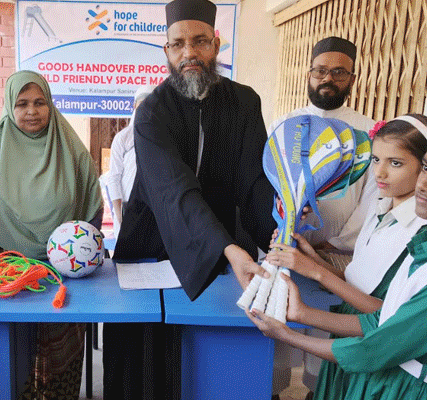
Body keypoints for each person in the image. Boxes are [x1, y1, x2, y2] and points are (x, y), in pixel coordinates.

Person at [248, 117, 427, 400]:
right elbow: (386, 319)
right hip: (384, 377)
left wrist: (287, 334)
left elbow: (373, 347)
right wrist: (303, 312)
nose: (424, 183)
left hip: (404, 389)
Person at [106, 0, 277, 397]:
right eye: (179, 44)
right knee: (146, 362)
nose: (190, 53)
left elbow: (254, 181)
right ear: (166, 50)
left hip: (221, 247)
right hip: (153, 242)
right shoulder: (151, 111)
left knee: (216, 353)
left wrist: (278, 236)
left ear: (215, 46)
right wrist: (229, 248)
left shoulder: (245, 102)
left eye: (200, 42)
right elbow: (173, 189)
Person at [266, 114, 427, 400]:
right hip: (347, 334)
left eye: (395, 163)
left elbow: (386, 314)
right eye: (375, 160)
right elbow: (358, 280)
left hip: (372, 347)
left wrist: (315, 270)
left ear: (425, 167)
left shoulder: (425, 233)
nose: (379, 173)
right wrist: (312, 259)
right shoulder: (381, 207)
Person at [0, 70, 102, 399]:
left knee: (59, 353)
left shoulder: (71, 148)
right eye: (22, 103)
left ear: (50, 105)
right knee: (11, 351)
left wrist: (86, 246)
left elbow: (93, 204)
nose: (31, 111)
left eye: (40, 103)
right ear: (10, 106)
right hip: (7, 266)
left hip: (64, 268)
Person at [268, 36, 378, 398]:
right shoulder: (285, 123)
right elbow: (272, 180)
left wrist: (335, 243)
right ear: (308, 73)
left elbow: (374, 199)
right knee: (279, 334)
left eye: (338, 72)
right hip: (286, 249)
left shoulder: (369, 132)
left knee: (324, 344)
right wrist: (284, 227)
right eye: (320, 70)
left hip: (337, 258)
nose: (327, 79)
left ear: (352, 78)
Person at [106, 84, 155, 237]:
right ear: (134, 106)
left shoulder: (163, 137)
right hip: (128, 207)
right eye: (142, 104)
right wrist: (119, 213)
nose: (146, 109)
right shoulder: (123, 137)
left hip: (153, 209)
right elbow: (114, 177)